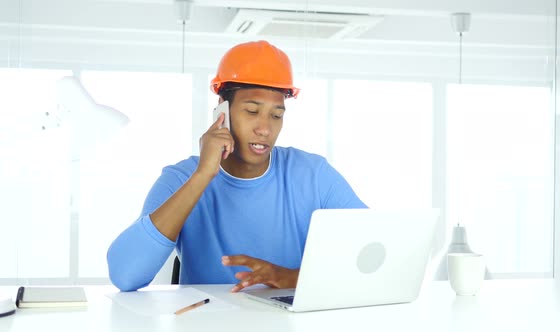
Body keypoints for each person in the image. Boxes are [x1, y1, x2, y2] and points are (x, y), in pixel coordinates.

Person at [107, 40, 367, 292]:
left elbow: (370, 253)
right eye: (252, 111)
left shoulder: (313, 174)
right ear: (222, 111)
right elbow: (125, 276)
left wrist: (289, 277)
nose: (265, 129)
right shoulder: (180, 178)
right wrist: (204, 175)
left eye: (276, 115)